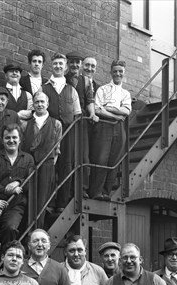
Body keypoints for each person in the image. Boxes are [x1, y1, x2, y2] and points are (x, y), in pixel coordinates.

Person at [0, 123, 35, 247]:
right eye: (7, 138)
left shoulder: (28, 159)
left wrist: (18, 182)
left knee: (11, 228)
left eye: (14, 137)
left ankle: (6, 257)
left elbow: (31, 182)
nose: (11, 140)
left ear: (20, 139)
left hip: (16, 205)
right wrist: (6, 191)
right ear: (2, 140)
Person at [42, 53, 82, 211]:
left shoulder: (72, 90)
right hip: (49, 130)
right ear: (51, 66)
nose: (58, 66)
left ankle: (61, 204)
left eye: (61, 64)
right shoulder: (43, 87)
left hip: (68, 132)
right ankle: (49, 203)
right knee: (50, 165)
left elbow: (78, 114)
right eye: (55, 64)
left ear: (65, 67)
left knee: (66, 166)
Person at [89, 60, 132, 201]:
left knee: (114, 160)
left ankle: (106, 192)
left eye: (120, 71)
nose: (118, 74)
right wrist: (115, 115)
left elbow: (126, 110)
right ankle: (96, 192)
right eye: (115, 71)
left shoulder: (126, 93)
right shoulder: (103, 89)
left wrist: (109, 108)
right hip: (104, 125)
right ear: (111, 72)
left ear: (124, 73)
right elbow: (96, 109)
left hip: (119, 129)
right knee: (101, 158)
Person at [21, 92, 62, 226]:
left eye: (42, 102)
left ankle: (38, 229)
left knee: (42, 201)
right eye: (37, 102)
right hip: (28, 165)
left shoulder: (56, 124)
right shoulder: (25, 125)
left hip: (47, 165)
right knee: (27, 198)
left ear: (47, 104)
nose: (39, 104)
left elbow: (57, 149)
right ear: (33, 104)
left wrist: (49, 166)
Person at [65, 51, 99, 201]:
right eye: (71, 62)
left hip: (82, 121)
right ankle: (67, 190)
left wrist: (92, 114)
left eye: (77, 62)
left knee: (83, 155)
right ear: (68, 63)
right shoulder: (62, 79)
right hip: (66, 120)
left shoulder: (85, 81)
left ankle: (82, 188)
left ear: (80, 65)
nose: (74, 65)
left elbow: (90, 100)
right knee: (68, 156)